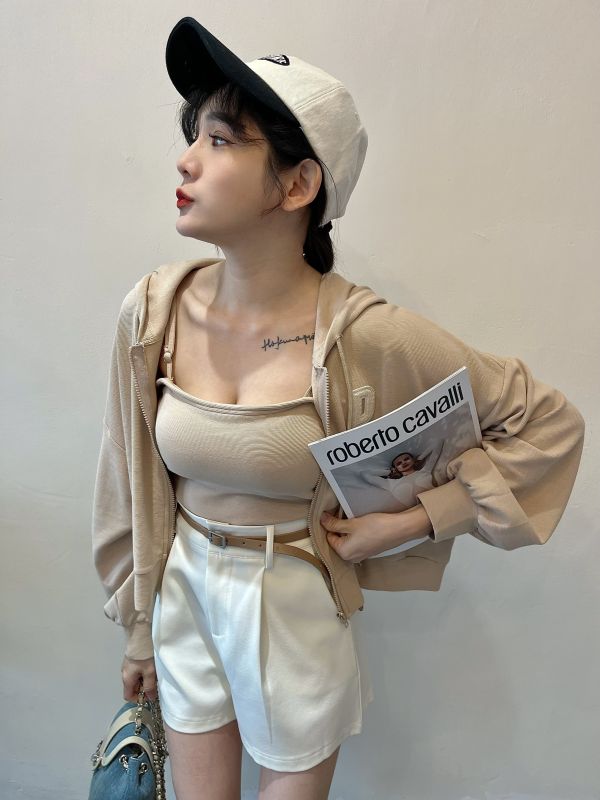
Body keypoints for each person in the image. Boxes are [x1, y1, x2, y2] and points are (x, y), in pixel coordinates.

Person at [91, 16, 585, 800]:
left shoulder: (364, 333)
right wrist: (140, 627)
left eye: (220, 141)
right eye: (194, 136)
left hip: (291, 596)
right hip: (183, 589)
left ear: (297, 185)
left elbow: (545, 422)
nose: (186, 159)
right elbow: (127, 480)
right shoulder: (154, 310)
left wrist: (416, 520)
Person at [362, 442, 444, 510]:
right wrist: (390, 472)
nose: (404, 463)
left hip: (438, 503)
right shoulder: (390, 483)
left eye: (406, 459)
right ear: (396, 468)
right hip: (415, 514)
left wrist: (420, 458)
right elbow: (365, 474)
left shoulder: (425, 470)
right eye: (399, 463)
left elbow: (438, 443)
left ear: (413, 460)